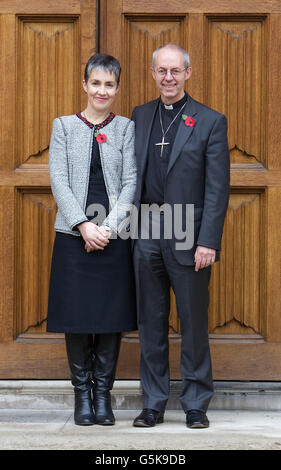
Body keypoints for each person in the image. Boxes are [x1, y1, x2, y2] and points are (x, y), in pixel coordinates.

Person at [131, 43, 230, 428]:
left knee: (192, 322)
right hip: (146, 231)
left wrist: (209, 240)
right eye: (162, 71)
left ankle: (195, 403)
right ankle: (153, 402)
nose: (168, 78)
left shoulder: (209, 120)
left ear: (188, 73)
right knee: (150, 322)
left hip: (190, 234)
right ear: (153, 73)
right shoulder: (139, 116)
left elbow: (217, 188)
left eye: (175, 71)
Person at [47, 53, 137, 426]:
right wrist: (84, 225)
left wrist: (108, 228)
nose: (102, 90)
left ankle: (104, 396)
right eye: (96, 83)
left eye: (109, 84)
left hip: (113, 238)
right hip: (73, 236)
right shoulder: (64, 126)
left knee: (110, 318)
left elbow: (132, 181)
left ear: (117, 88)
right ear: (84, 85)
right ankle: (81, 395)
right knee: (79, 318)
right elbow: (58, 180)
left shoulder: (126, 129)